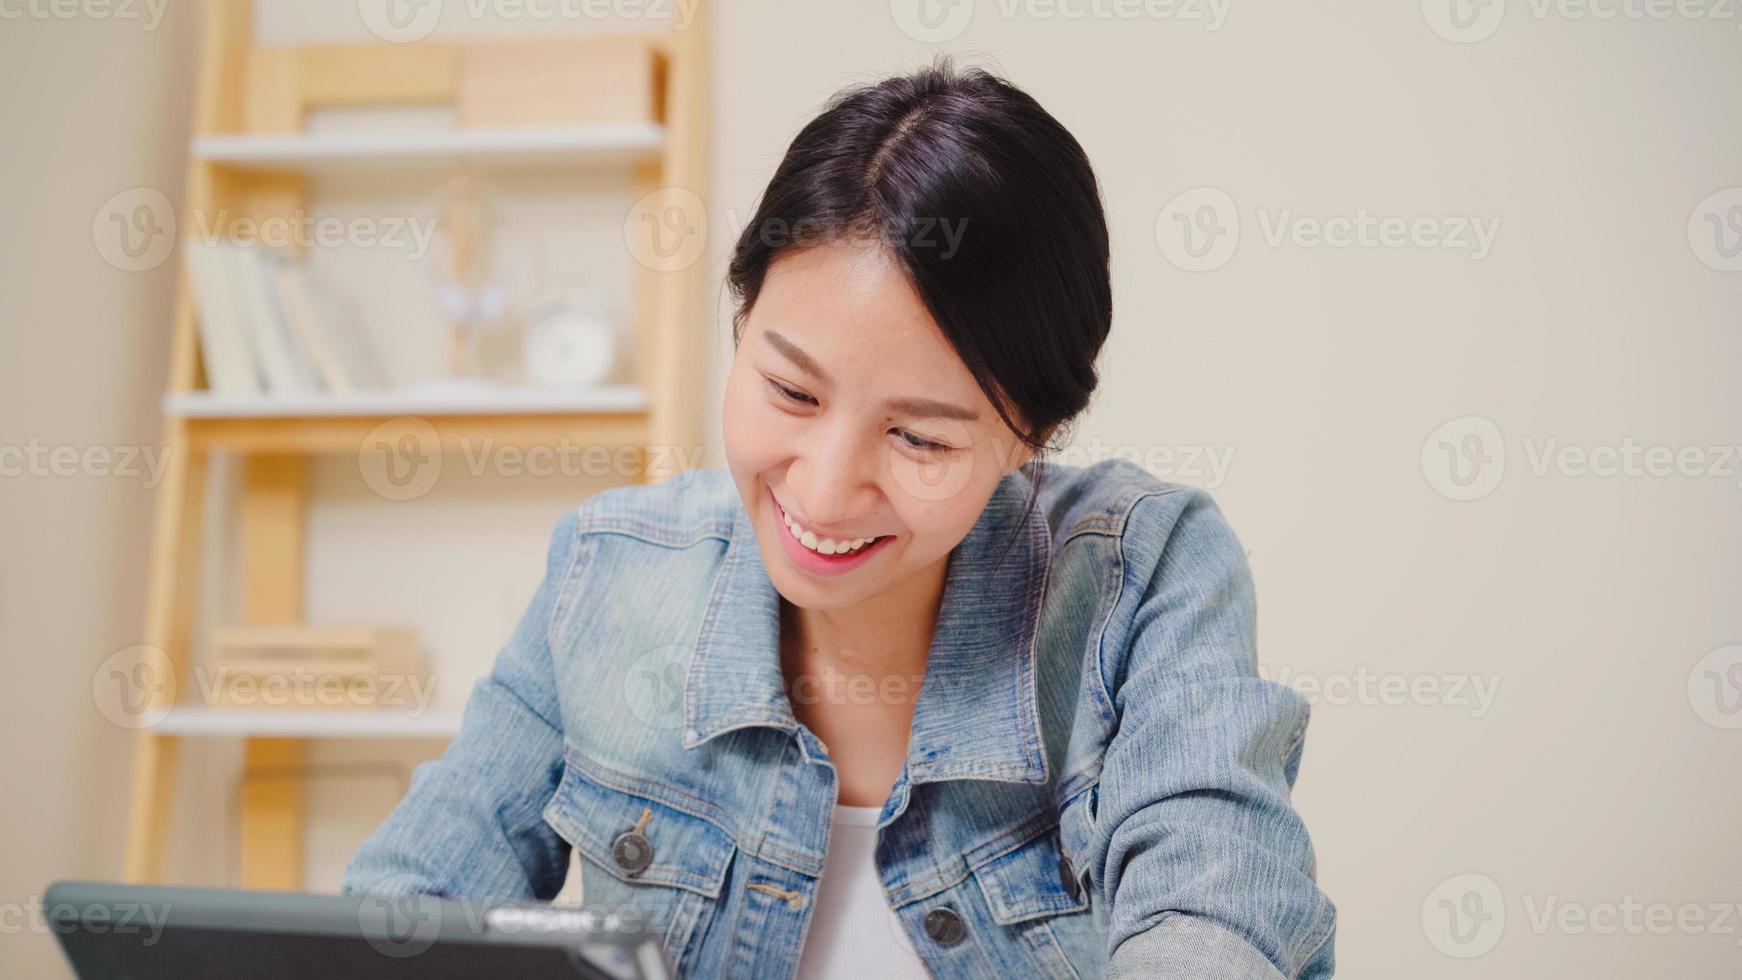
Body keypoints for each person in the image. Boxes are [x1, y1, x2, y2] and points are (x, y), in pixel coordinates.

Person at [343, 56, 1336, 978]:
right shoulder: (608, 575)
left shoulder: (1141, 575)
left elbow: (1213, 911)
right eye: (790, 391)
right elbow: (401, 912)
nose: (820, 493)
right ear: (741, 326)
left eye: (919, 439)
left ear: (1029, 432)